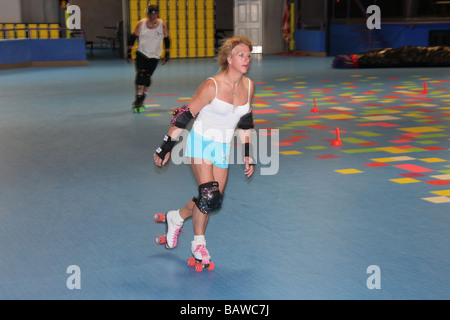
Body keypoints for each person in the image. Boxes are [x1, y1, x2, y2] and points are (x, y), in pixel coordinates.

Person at [153, 36, 255, 266]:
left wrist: (248, 153)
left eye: (248, 55)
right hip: (200, 142)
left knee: (212, 201)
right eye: (241, 54)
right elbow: (183, 115)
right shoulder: (212, 86)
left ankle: (176, 217)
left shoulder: (249, 87)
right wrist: (165, 147)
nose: (246, 59)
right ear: (229, 58)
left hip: (222, 146)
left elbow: (246, 122)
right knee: (208, 195)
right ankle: (198, 243)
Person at [127, 5, 170, 113]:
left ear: (158, 14)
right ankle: (138, 99)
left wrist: (167, 55)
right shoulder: (141, 24)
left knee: (147, 78)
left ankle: (142, 98)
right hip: (141, 53)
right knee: (140, 76)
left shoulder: (162, 25)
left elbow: (167, 39)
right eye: (151, 14)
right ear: (148, 15)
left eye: (155, 13)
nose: (153, 16)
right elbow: (132, 38)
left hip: (155, 56)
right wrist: (128, 53)